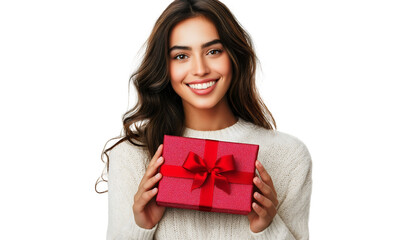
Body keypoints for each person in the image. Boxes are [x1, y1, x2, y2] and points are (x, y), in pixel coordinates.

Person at [96, 0, 313, 239]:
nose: (200, 69)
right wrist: (141, 226)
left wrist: (267, 229)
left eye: (213, 51)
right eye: (181, 56)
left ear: (234, 56)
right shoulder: (132, 155)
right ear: (163, 67)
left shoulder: (289, 156)